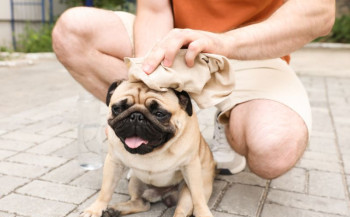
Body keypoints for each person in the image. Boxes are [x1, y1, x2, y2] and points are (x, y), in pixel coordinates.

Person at [52, 0, 335, 179]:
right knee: (73, 30)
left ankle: (230, 120)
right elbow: (154, 9)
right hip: (175, 41)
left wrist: (224, 42)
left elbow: (319, 12)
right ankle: (165, 133)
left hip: (253, 50)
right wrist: (146, 86)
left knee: (274, 152)